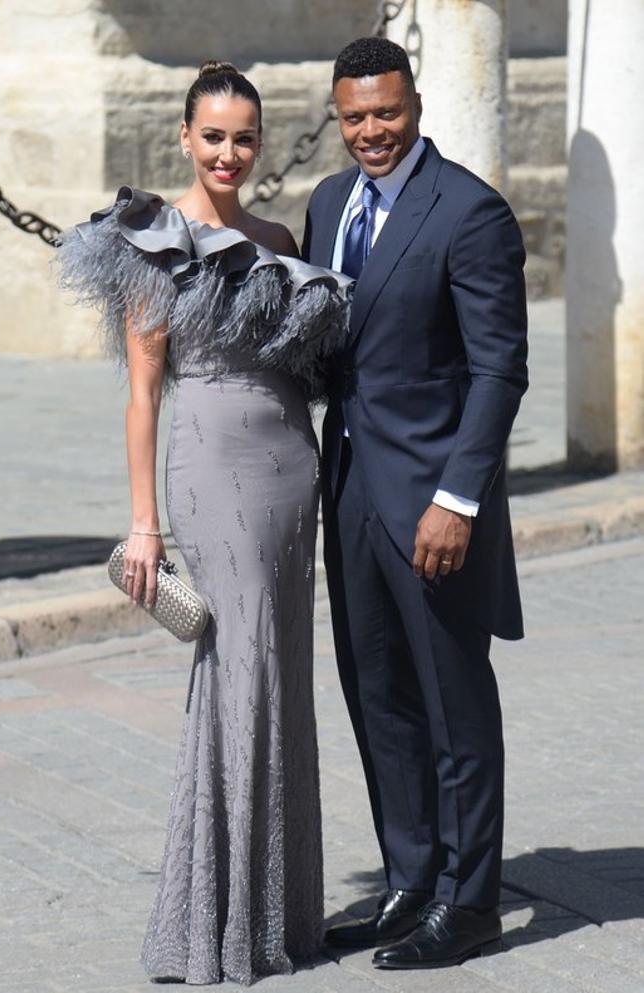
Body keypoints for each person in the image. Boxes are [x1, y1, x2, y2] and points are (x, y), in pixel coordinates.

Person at [57, 61, 352, 986]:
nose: (229, 152)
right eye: (213, 136)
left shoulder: (274, 237)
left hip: (288, 471)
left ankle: (279, 912)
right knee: (240, 667)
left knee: (280, 676)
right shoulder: (156, 239)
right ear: (185, 138)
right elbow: (145, 394)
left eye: (244, 137)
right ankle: (220, 921)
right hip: (209, 467)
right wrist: (144, 526)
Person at [302, 37, 528, 969]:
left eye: (385, 113)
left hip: (433, 505)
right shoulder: (326, 203)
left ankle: (470, 902)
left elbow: (498, 370)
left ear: (416, 104)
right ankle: (410, 877)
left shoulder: (470, 211)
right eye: (354, 117)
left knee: (453, 702)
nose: (371, 133)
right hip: (349, 491)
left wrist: (458, 499)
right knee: (378, 694)